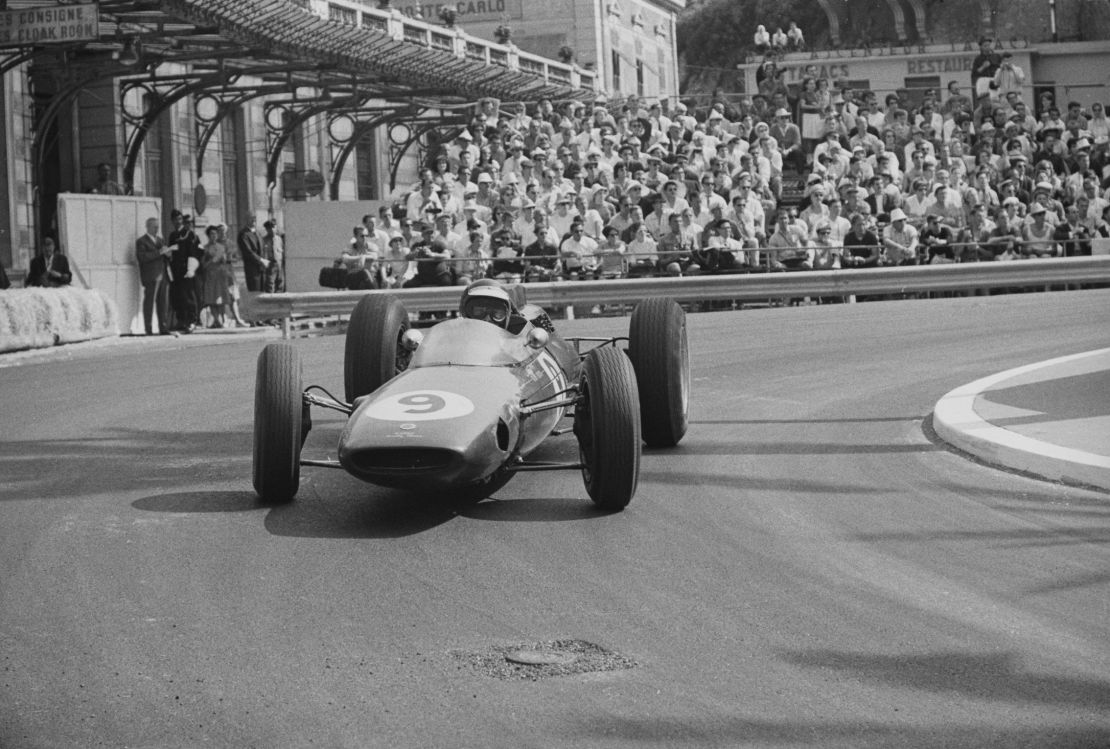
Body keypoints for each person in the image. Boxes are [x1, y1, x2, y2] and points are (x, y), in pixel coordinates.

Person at [136, 217, 171, 335]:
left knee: (163, 302)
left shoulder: (160, 240)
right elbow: (143, 258)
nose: (157, 229)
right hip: (150, 276)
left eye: (158, 227)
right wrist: (159, 252)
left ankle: (163, 327)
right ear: (148, 227)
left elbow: (166, 256)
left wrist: (168, 253)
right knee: (149, 302)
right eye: (154, 227)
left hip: (162, 274)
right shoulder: (141, 241)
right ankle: (148, 328)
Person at [167, 212, 202, 332]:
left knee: (189, 296)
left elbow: (194, 252)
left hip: (186, 269)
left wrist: (191, 269)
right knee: (178, 296)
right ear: (172, 221)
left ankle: (192, 321)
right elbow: (172, 251)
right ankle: (181, 320)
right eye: (175, 219)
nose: (178, 222)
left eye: (180, 219)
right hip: (175, 270)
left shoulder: (188, 234)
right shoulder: (172, 235)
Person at [199, 225, 232, 328]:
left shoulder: (221, 247)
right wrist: (210, 261)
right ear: (208, 236)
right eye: (211, 234)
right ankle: (216, 319)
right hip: (210, 275)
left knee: (221, 298)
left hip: (221, 275)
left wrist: (224, 258)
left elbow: (226, 261)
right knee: (212, 299)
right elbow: (202, 263)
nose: (214, 236)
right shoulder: (205, 248)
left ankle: (223, 318)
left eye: (215, 234)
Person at [236, 213, 267, 292]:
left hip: (262, 268)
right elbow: (248, 251)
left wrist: (265, 260)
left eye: (255, 218)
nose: (253, 220)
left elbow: (263, 248)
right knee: (255, 292)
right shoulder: (243, 234)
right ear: (246, 220)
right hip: (252, 268)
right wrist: (261, 260)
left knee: (263, 292)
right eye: (251, 218)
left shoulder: (258, 233)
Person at [261, 220, 285, 293]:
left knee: (280, 283)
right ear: (266, 229)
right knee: (270, 285)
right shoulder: (263, 240)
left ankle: (280, 302)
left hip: (279, 264)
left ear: (276, 227)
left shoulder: (279, 239)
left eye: (273, 227)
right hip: (270, 265)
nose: (272, 230)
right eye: (269, 228)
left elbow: (282, 251)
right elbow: (262, 254)